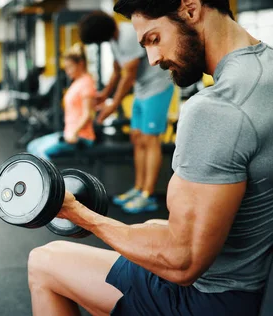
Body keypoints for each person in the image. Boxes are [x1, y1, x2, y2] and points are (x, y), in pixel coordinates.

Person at [28, 0, 272, 315]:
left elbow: (182, 262)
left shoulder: (216, 109)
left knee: (43, 262)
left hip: (208, 299)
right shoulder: (264, 71)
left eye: (154, 39)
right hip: (254, 285)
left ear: (190, 8)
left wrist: (78, 214)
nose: (153, 59)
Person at [78, 11, 175, 213]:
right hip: (142, 89)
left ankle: (147, 195)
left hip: (157, 88)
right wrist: (105, 94)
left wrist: (112, 106)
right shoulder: (114, 39)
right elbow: (117, 70)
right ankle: (138, 189)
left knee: (150, 140)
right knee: (137, 138)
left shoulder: (129, 36)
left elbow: (128, 76)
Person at [26, 44, 96, 160]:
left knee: (41, 151)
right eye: (66, 67)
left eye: (70, 67)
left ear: (81, 64)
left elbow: (87, 114)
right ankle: (45, 177)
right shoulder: (77, 82)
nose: (67, 71)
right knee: (32, 146)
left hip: (81, 137)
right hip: (67, 133)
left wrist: (74, 132)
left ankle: (52, 178)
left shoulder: (86, 83)